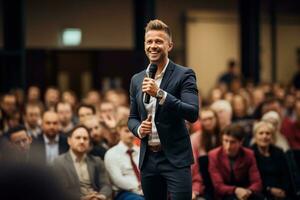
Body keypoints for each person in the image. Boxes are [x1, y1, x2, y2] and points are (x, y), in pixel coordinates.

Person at [128, 19, 199, 200]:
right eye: (149, 41)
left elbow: (192, 113)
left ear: (170, 45)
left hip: (175, 158)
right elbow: (132, 117)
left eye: (158, 41)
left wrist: (160, 94)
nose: (153, 46)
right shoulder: (137, 79)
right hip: (148, 159)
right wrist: (138, 129)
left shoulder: (184, 74)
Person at [53, 125, 112, 200]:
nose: (82, 141)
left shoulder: (97, 161)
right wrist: (83, 198)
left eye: (85, 138)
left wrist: (100, 196)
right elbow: (61, 190)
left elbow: (106, 185)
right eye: (78, 138)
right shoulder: (59, 162)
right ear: (69, 141)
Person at [208, 124, 263, 200]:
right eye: (225, 141)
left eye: (232, 142)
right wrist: (236, 190)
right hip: (225, 196)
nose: (228, 146)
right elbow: (218, 186)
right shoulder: (214, 155)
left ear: (241, 142)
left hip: (246, 193)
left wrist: (247, 192)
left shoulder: (249, 154)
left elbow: (257, 182)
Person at [105, 119, 144, 200]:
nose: (131, 135)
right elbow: (117, 179)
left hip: (146, 189)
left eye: (133, 131)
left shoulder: (141, 151)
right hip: (124, 192)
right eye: (126, 131)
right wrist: (138, 186)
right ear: (119, 131)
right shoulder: (111, 154)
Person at [251, 121, 290, 199]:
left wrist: (284, 191)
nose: (264, 136)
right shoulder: (250, 153)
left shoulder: (279, 152)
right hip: (260, 194)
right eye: (261, 133)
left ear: (272, 136)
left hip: (281, 193)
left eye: (268, 133)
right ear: (255, 136)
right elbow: (251, 180)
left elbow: (286, 175)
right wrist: (269, 189)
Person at [190, 108, 221, 199]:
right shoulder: (195, 138)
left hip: (222, 179)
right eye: (204, 120)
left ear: (216, 119)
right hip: (204, 181)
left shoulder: (224, 135)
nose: (208, 122)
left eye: (210, 119)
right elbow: (194, 166)